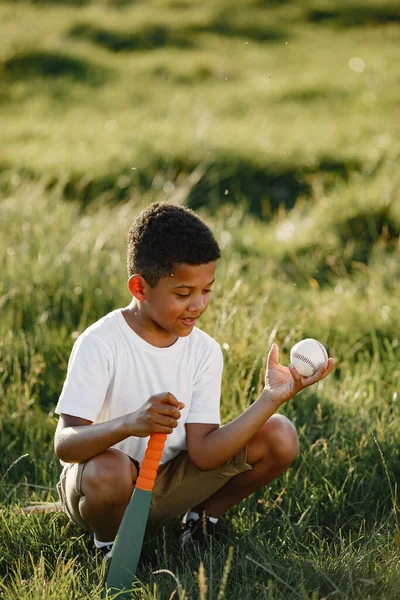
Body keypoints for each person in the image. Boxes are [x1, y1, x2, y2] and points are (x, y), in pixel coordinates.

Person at [54, 202, 334, 560]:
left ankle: (202, 519)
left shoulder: (204, 351)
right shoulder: (100, 342)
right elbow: (66, 444)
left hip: (168, 481)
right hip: (102, 486)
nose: (198, 305)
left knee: (280, 434)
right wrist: (129, 424)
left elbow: (203, 454)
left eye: (207, 290)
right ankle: (109, 545)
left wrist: (270, 399)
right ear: (139, 287)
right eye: (183, 293)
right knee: (111, 470)